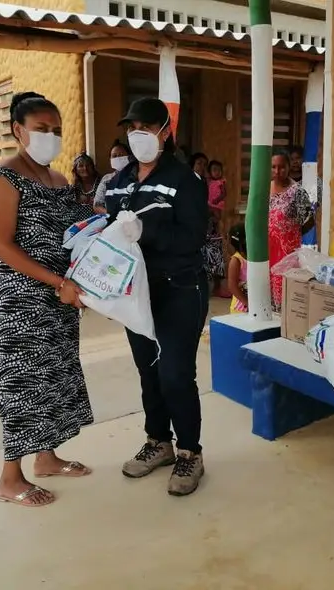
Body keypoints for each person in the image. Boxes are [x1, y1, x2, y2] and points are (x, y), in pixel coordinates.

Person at [0, 91, 95, 508]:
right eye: (42, 129)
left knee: (54, 379)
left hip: (58, 302)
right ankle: (10, 479)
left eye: (57, 130)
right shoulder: (3, 179)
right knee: (21, 384)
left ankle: (46, 458)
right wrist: (55, 281)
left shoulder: (60, 180)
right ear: (17, 131)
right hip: (20, 304)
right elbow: (2, 246)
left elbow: (71, 233)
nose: (51, 136)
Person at [105, 97, 210, 496]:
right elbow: (113, 229)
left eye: (147, 128)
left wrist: (145, 234)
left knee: (176, 373)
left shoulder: (185, 180)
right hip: (137, 291)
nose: (139, 136)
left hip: (180, 287)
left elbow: (192, 236)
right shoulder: (119, 183)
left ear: (166, 132)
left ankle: (190, 452)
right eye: (133, 128)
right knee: (148, 369)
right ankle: (158, 442)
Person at [269, 150, 316, 311]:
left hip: (287, 254)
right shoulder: (265, 189)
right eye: (273, 167)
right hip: (268, 251)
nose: (277, 171)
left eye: (281, 167)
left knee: (286, 297)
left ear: (289, 167)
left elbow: (309, 222)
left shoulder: (297, 192)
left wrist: (289, 233)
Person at [201, 159, 226, 296]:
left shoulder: (220, 182)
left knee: (216, 255)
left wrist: (214, 204)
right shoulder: (206, 182)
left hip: (214, 216)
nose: (217, 172)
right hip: (205, 231)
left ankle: (217, 286)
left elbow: (223, 194)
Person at [93, 140, 133, 214]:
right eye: (114, 156)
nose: (117, 158)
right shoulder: (107, 179)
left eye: (121, 155)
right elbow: (97, 205)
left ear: (129, 157)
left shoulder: (137, 176)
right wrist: (112, 215)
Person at [226, 223, 248, 314]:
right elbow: (232, 286)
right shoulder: (236, 260)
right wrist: (247, 303)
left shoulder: (254, 258)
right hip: (240, 308)